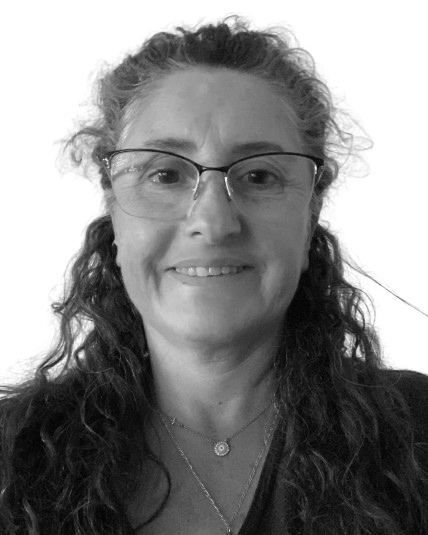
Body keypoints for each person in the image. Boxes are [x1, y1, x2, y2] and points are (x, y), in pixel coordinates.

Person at [1, 16, 427, 535]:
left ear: (311, 213)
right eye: (165, 174)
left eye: (260, 176)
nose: (214, 221)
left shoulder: (418, 435)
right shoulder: (12, 458)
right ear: (112, 209)